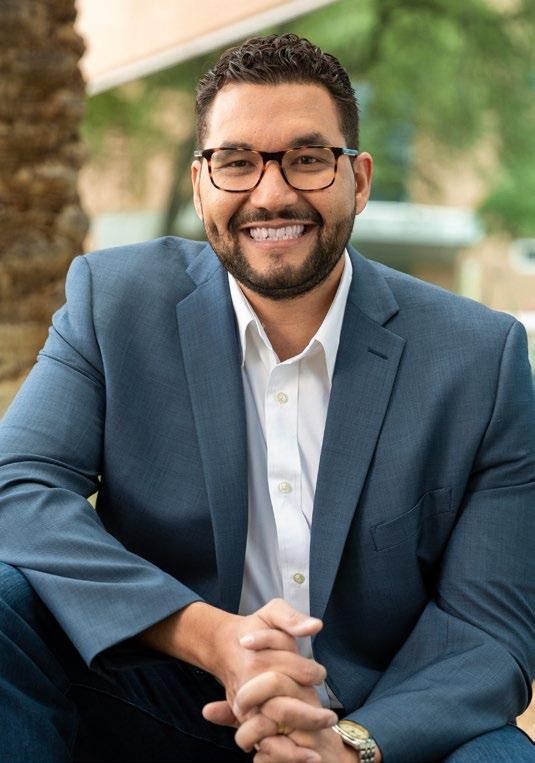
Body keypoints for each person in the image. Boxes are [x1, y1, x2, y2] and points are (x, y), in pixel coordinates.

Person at [0, 33, 534, 763]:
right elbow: (18, 487)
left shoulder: (478, 356)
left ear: (359, 180)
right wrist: (211, 636)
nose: (272, 193)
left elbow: (490, 628)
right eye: (236, 161)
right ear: (200, 184)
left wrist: (349, 744)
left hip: (381, 720)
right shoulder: (114, 303)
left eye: (308, 159)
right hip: (169, 700)